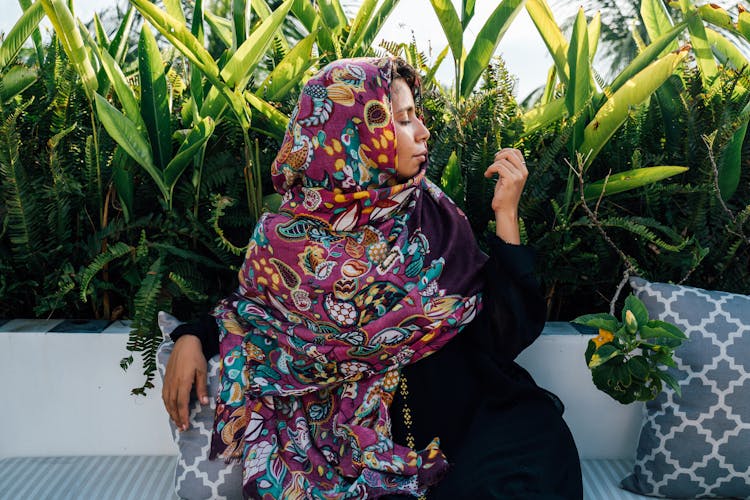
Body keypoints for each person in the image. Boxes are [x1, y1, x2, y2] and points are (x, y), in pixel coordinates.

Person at [162, 57, 582, 499]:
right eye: (402, 120)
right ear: (352, 135)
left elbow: (501, 337)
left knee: (535, 464)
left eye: (415, 115)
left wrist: (506, 214)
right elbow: (259, 317)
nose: (422, 131)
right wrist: (192, 337)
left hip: (481, 426)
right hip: (365, 449)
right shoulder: (283, 241)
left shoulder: (433, 215)